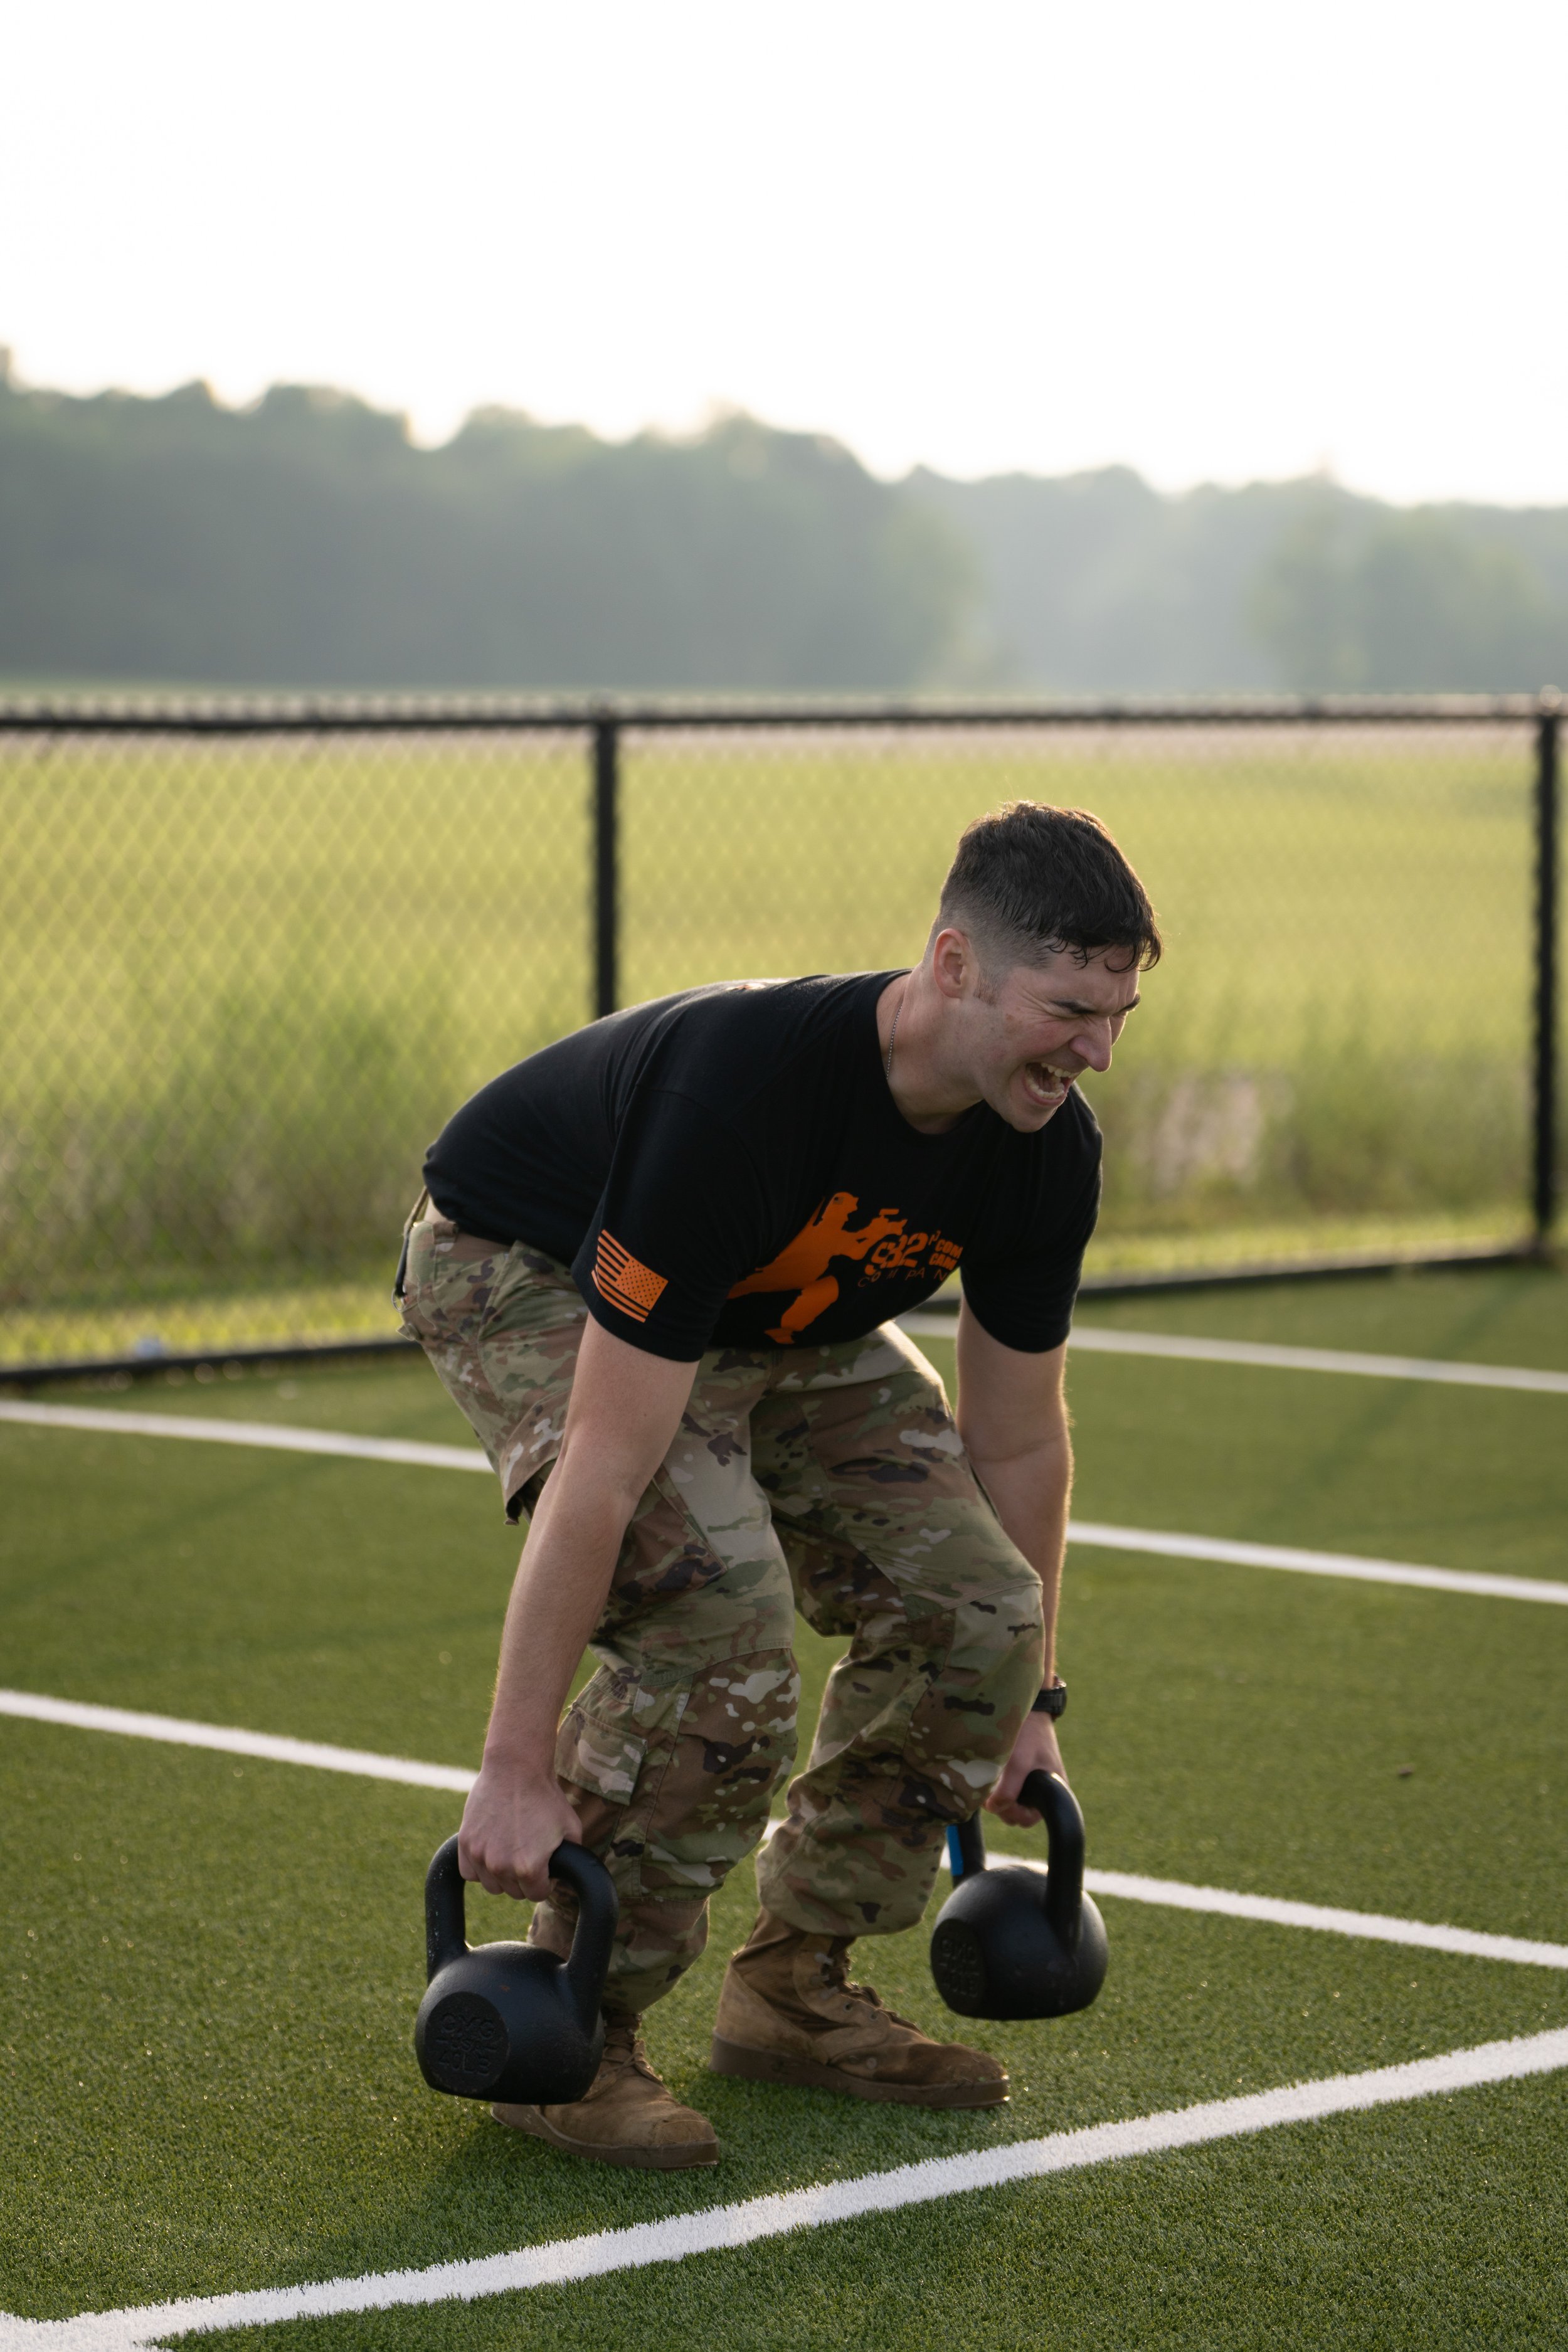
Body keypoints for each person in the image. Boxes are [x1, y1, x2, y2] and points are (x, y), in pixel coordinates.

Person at [397, 800, 1159, 2170]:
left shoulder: (1045, 1145)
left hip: (769, 1312)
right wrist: (511, 1769)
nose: (1093, 1050)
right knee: (715, 1616)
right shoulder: (740, 1098)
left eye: (1117, 1014)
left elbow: (1020, 1444)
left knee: (980, 1611)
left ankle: (791, 1990)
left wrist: (1028, 1704)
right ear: (951, 965)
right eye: (1066, 1008)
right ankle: (575, 2027)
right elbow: (609, 1469)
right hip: (527, 1268)